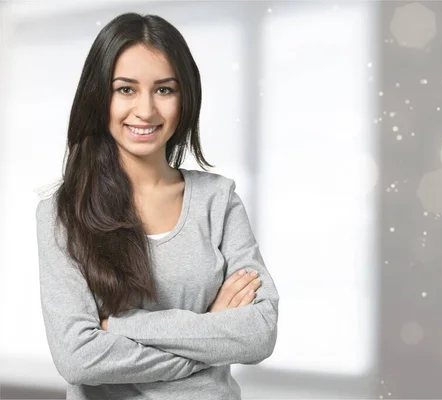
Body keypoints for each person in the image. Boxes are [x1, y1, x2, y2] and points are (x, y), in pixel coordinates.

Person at [35, 12, 279, 400]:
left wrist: (117, 327)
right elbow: (78, 358)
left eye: (164, 90)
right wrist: (211, 330)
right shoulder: (61, 214)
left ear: (185, 98)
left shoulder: (218, 200)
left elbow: (259, 333)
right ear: (99, 96)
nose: (146, 110)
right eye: (125, 89)